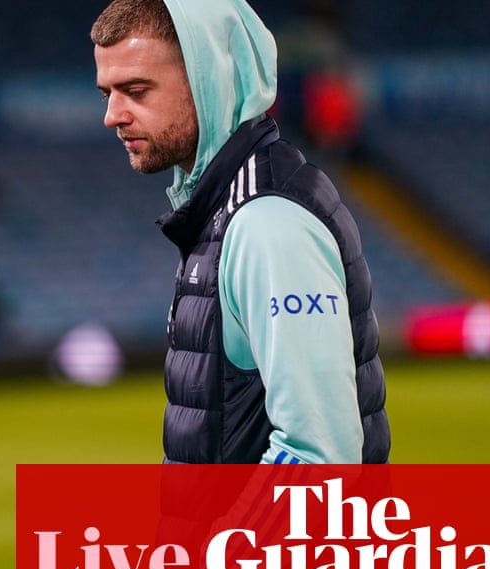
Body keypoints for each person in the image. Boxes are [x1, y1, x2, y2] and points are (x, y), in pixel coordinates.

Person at [92, 0, 388, 464]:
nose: (112, 115)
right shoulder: (223, 209)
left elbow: (319, 457)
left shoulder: (268, 222)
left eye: (136, 90)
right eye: (106, 93)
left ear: (209, 79)